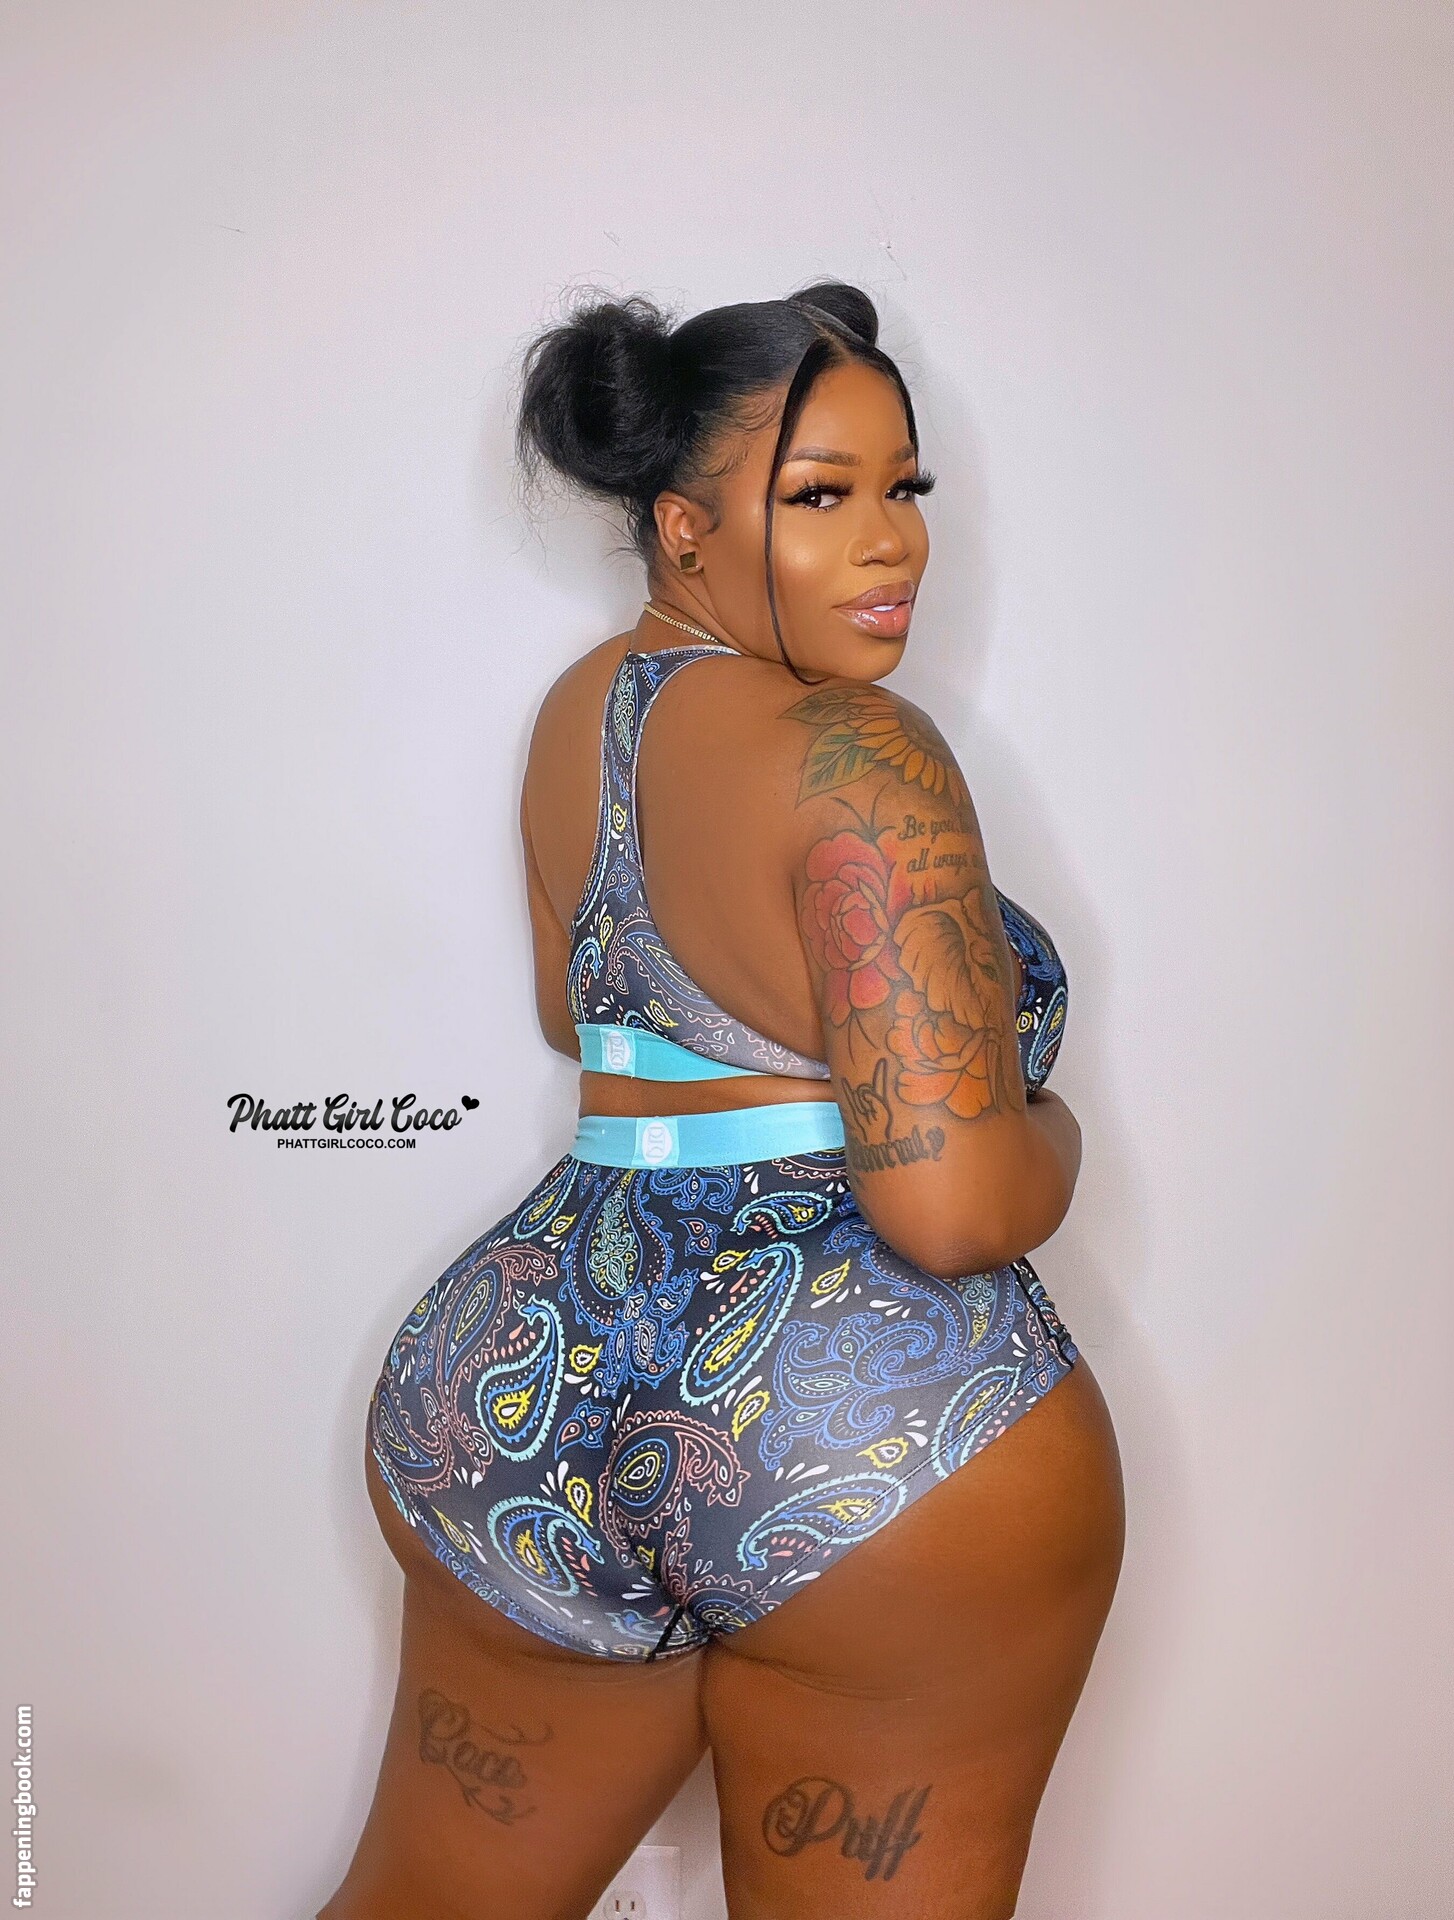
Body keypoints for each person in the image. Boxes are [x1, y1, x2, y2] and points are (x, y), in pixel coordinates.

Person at [320, 281, 1125, 1920]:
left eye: (903, 487)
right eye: (820, 495)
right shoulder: (857, 751)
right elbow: (950, 1207)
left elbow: (581, 1017)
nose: (891, 543)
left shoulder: (583, 714)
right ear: (683, 526)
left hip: (518, 1392)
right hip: (865, 1428)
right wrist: (1051, 1126)